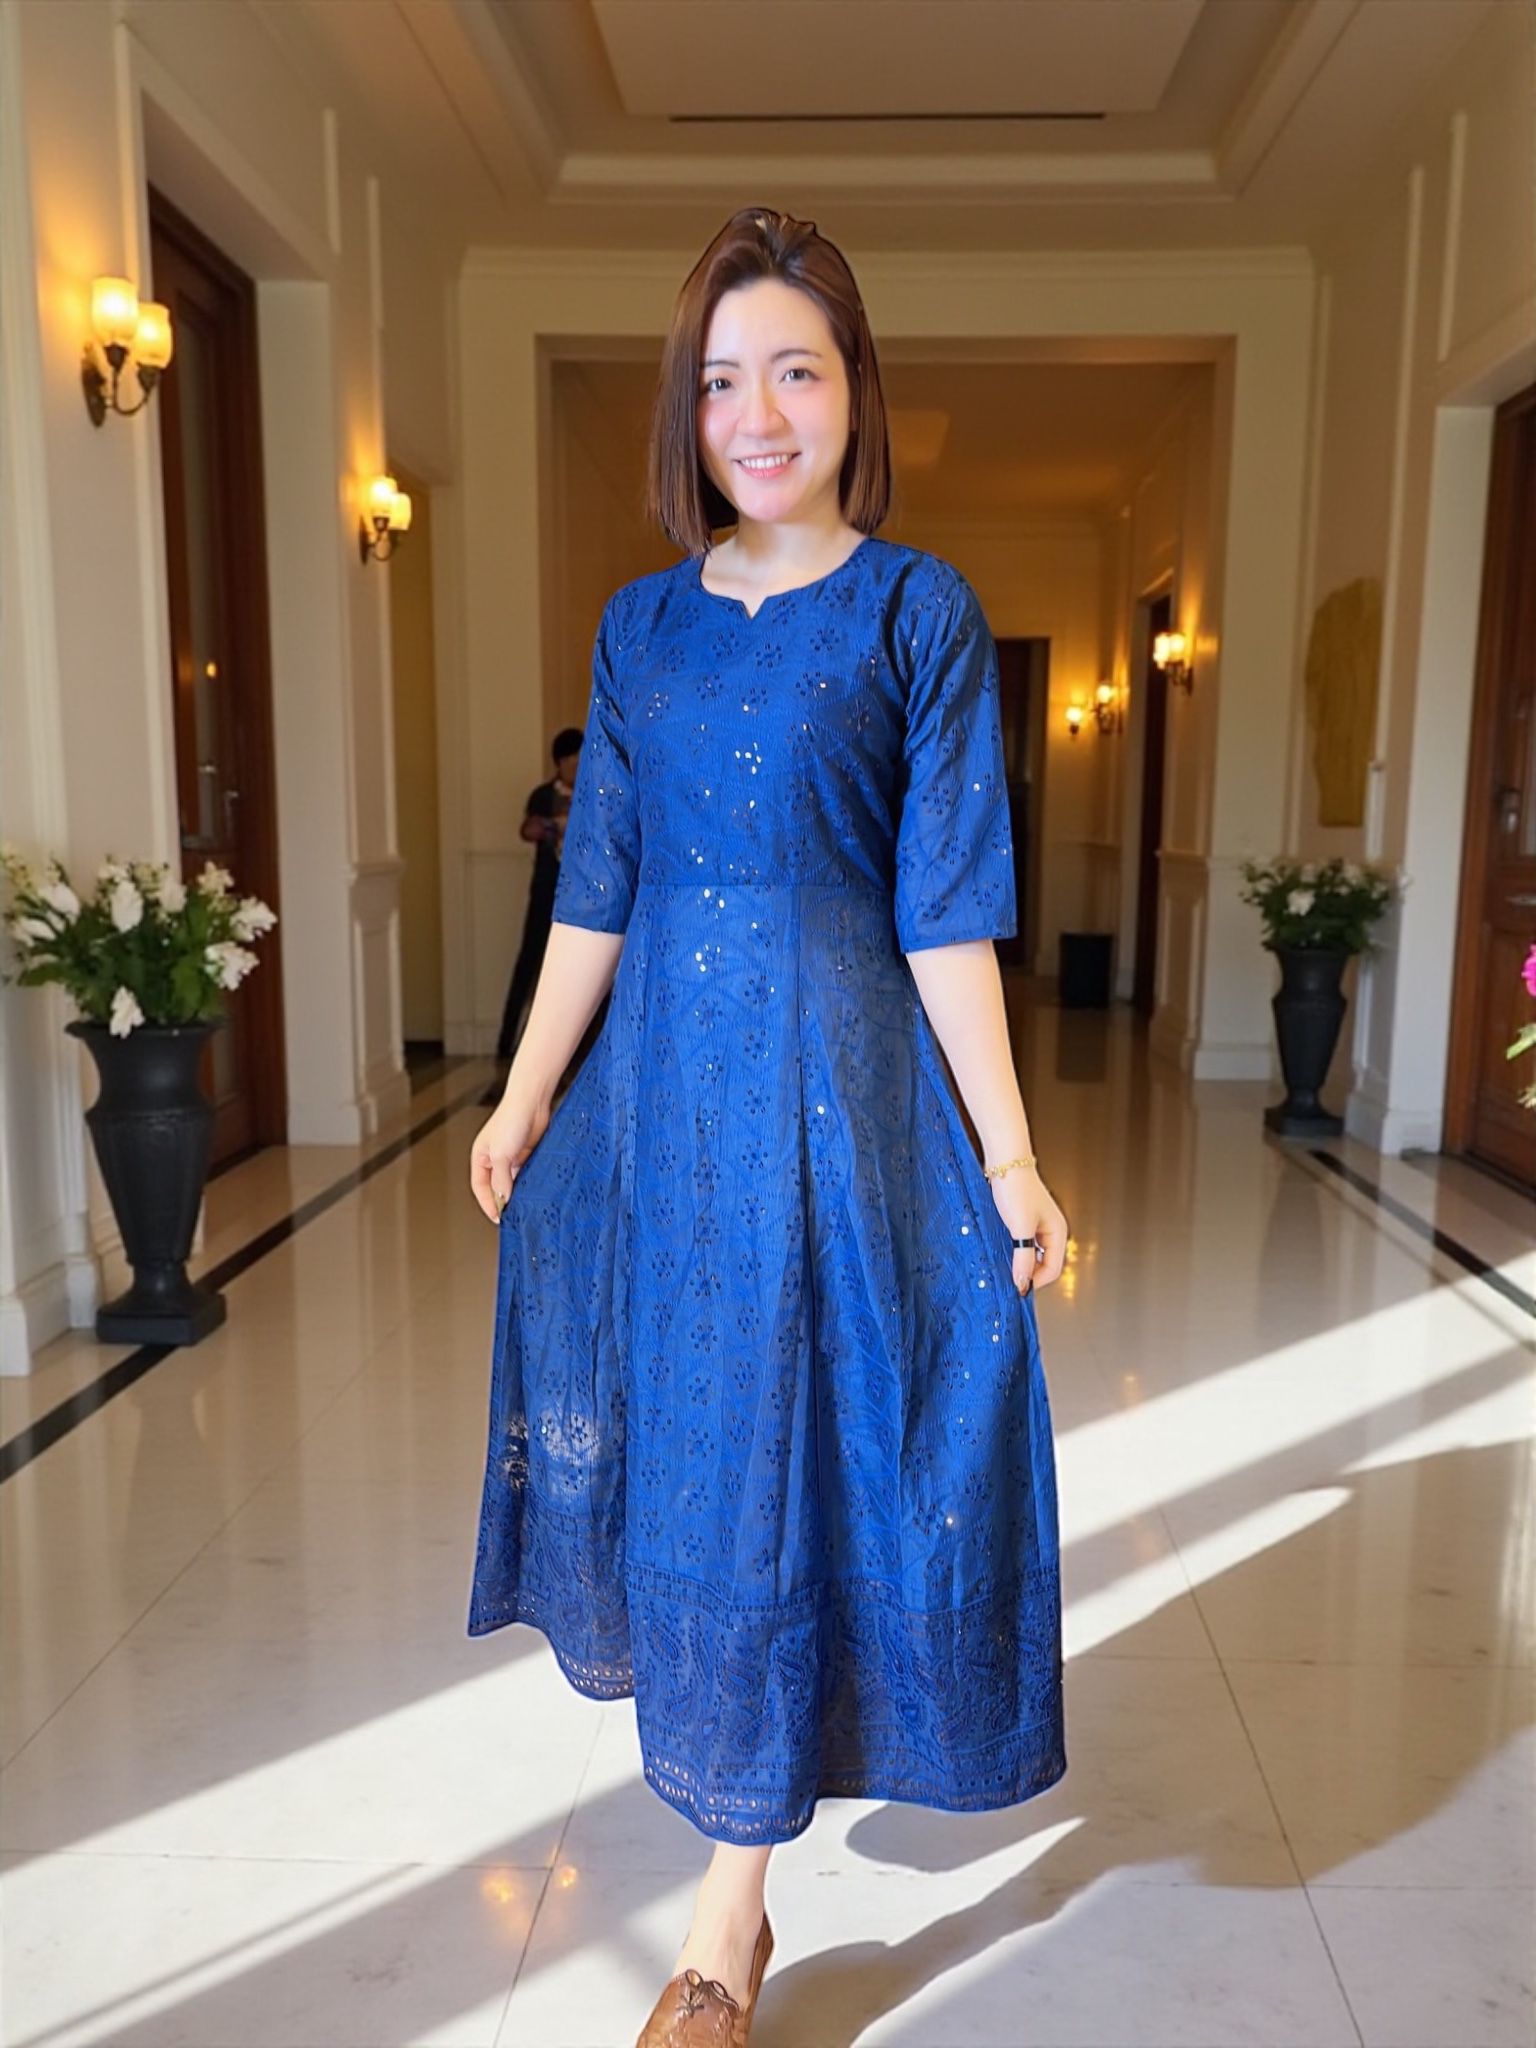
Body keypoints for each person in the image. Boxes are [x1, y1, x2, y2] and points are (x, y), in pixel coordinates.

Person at [467, 206, 1070, 2048]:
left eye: (795, 370)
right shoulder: (637, 627)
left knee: (818, 1450)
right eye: (724, 379)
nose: (759, 413)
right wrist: (526, 1088)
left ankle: (725, 1917)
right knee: (708, 1459)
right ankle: (737, 1860)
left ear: (853, 389)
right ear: (690, 410)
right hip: (668, 1119)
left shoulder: (916, 611)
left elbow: (944, 911)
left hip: (842, 1113)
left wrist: (1011, 1154)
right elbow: (601, 886)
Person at [492, 726, 584, 1066]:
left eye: (580, 759)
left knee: (583, 970)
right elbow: (527, 830)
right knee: (529, 962)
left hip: (583, 896)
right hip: (546, 891)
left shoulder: (595, 794)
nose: (575, 766)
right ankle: (506, 1043)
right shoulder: (543, 796)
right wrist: (554, 824)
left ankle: (580, 1050)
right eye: (570, 760)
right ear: (559, 762)